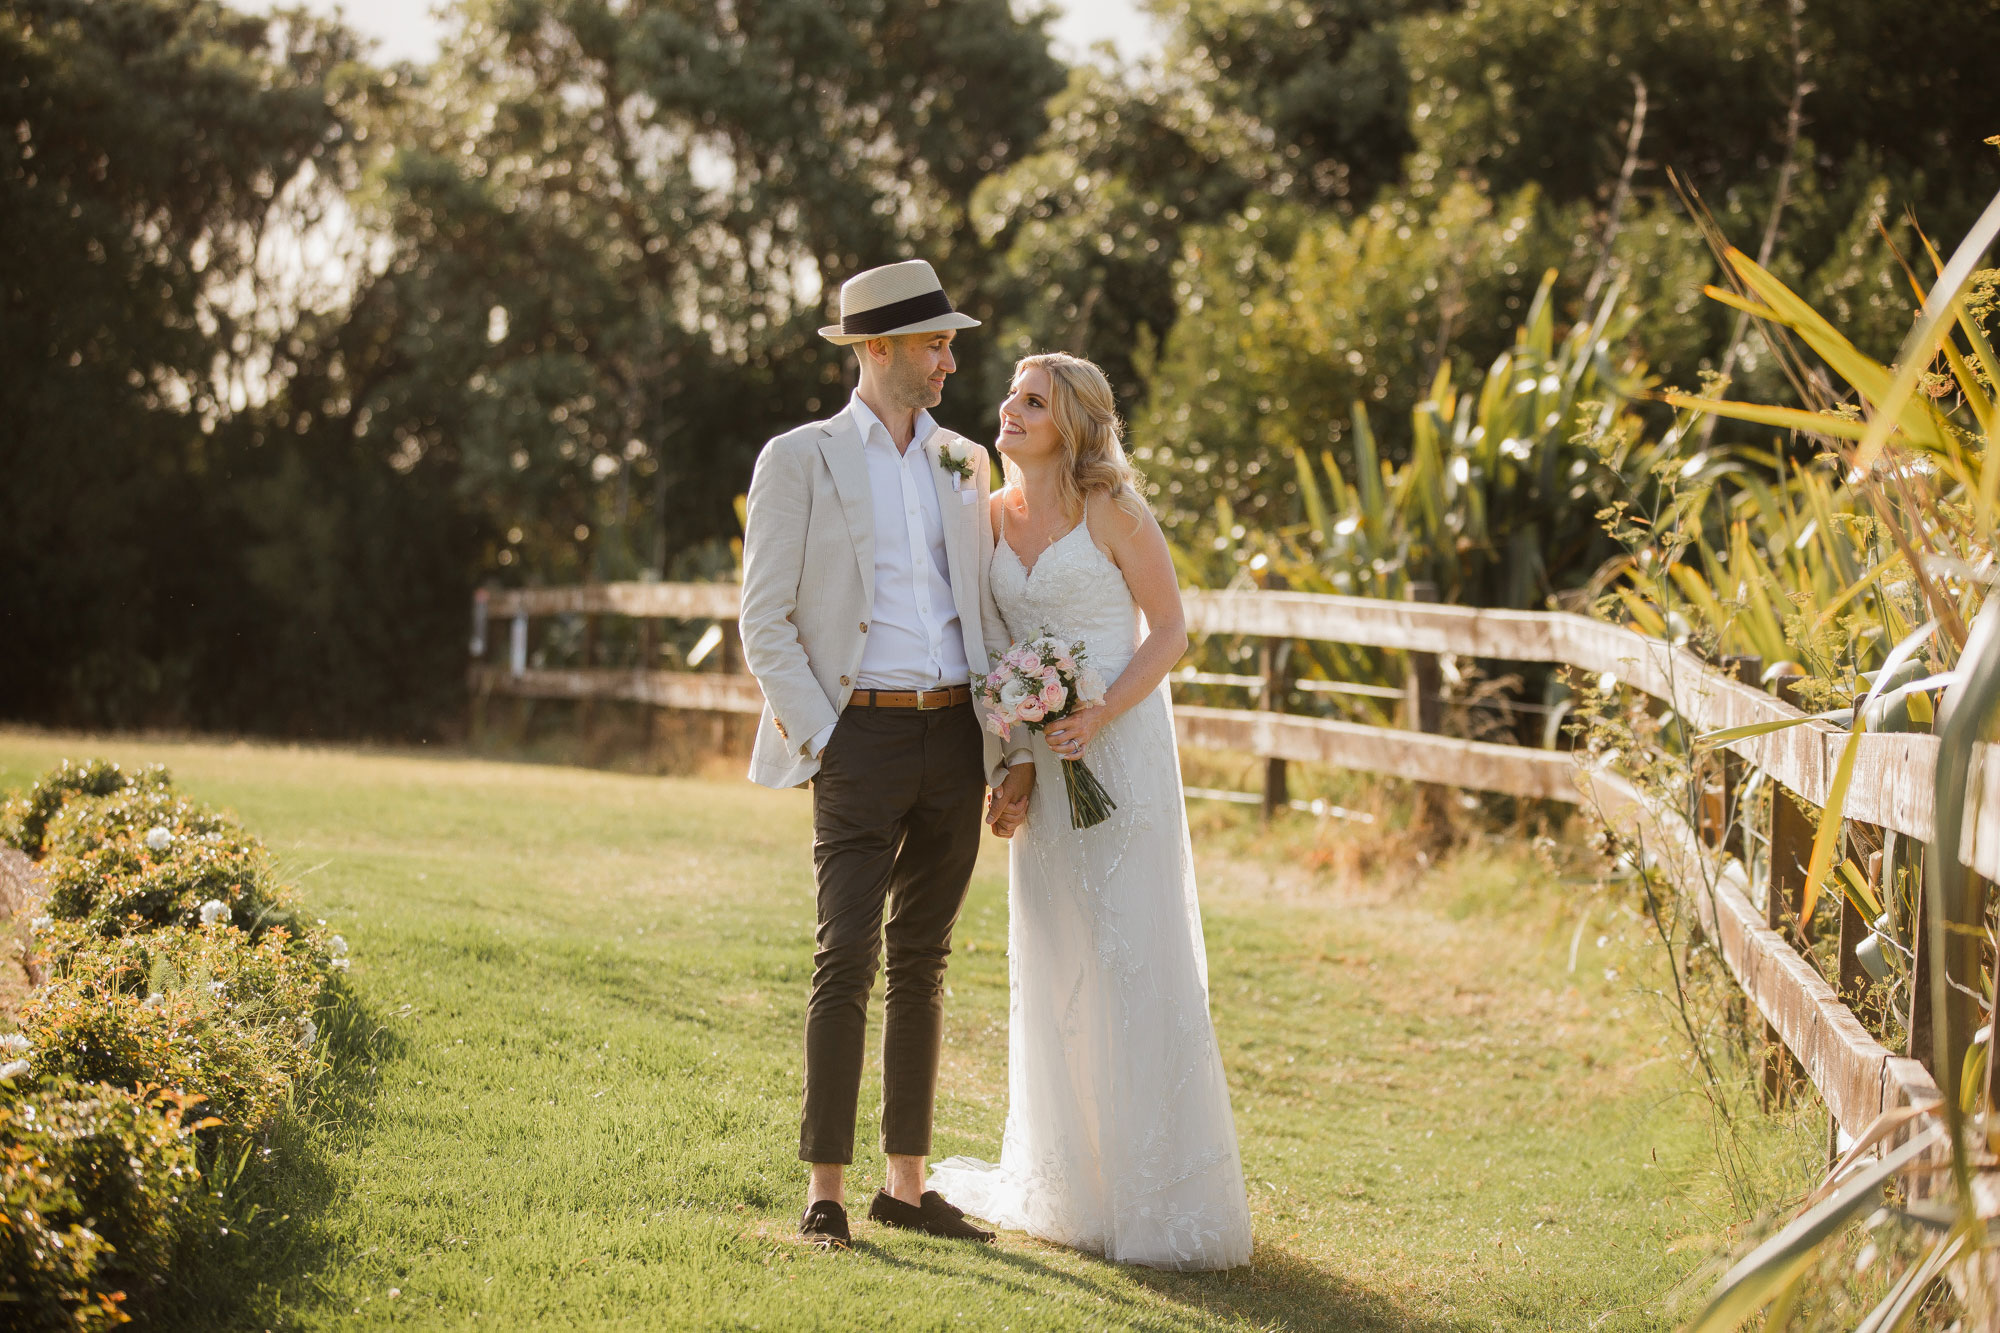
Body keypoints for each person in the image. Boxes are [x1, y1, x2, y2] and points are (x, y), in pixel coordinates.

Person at [927, 353, 1254, 1271]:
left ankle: (1161, 1196)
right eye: (1012, 395)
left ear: (1071, 422)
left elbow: (1172, 629)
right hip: (1045, 760)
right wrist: (1021, 760)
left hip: (1121, 752)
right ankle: (1073, 1186)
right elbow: (996, 645)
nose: (1010, 408)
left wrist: (1100, 708)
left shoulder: (1113, 507)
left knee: (1130, 953)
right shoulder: (990, 514)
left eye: (1033, 400)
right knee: (1059, 951)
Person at [738, 259, 1036, 1251]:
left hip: (954, 732)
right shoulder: (798, 457)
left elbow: (985, 610)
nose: (950, 361)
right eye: (933, 343)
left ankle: (904, 1187)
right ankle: (825, 1185)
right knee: (846, 954)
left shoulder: (962, 462)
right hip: (853, 734)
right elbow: (764, 620)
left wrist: (1006, 745)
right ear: (876, 350)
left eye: (949, 342)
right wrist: (823, 737)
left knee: (924, 958)